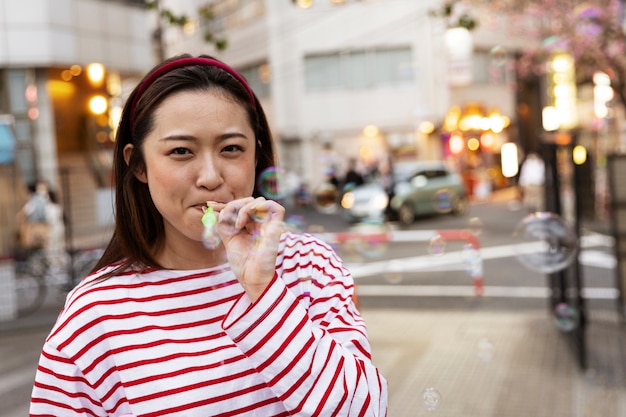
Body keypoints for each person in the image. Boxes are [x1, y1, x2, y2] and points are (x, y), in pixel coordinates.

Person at [30, 54, 388, 416]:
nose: (210, 177)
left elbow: (365, 409)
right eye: (181, 151)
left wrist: (264, 290)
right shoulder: (93, 315)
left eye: (231, 148)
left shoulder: (309, 265)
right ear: (137, 164)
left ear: (256, 153)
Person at [16, 178, 51, 249]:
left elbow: (24, 212)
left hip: (37, 227)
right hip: (45, 226)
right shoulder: (44, 199)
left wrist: (21, 219)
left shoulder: (35, 200)